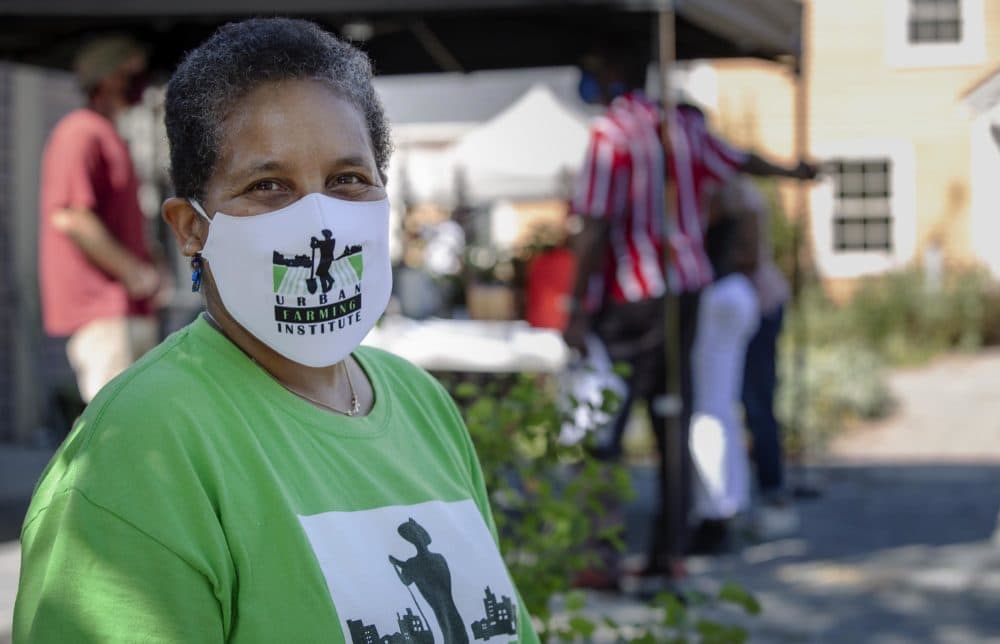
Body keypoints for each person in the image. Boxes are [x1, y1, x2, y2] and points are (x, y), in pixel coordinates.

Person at [15, 19, 538, 644]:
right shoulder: (138, 454)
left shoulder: (422, 405)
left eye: (348, 179)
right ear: (191, 229)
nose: (319, 221)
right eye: (268, 186)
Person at [564, 47, 816, 580]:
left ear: (611, 73)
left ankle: (600, 555)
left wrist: (577, 307)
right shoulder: (679, 128)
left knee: (607, 424)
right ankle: (668, 552)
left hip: (631, 297)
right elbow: (740, 160)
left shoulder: (612, 134)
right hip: (686, 291)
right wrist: (793, 171)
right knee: (673, 418)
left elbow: (596, 226)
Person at [38, 34, 162, 403]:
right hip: (103, 308)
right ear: (107, 77)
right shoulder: (79, 131)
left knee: (140, 419)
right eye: (130, 74)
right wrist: (133, 272)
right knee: (115, 423)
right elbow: (71, 218)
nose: (140, 84)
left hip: (126, 306)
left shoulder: (107, 133)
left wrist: (148, 258)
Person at [687, 179, 761, 553]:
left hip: (724, 294)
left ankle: (716, 511)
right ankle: (727, 505)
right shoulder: (739, 200)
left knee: (709, 414)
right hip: (737, 292)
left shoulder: (716, 198)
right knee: (720, 410)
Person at [740, 182, 800, 539]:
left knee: (758, 401)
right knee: (754, 402)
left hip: (759, 306)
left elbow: (747, 254)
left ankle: (773, 490)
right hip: (756, 304)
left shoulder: (740, 195)